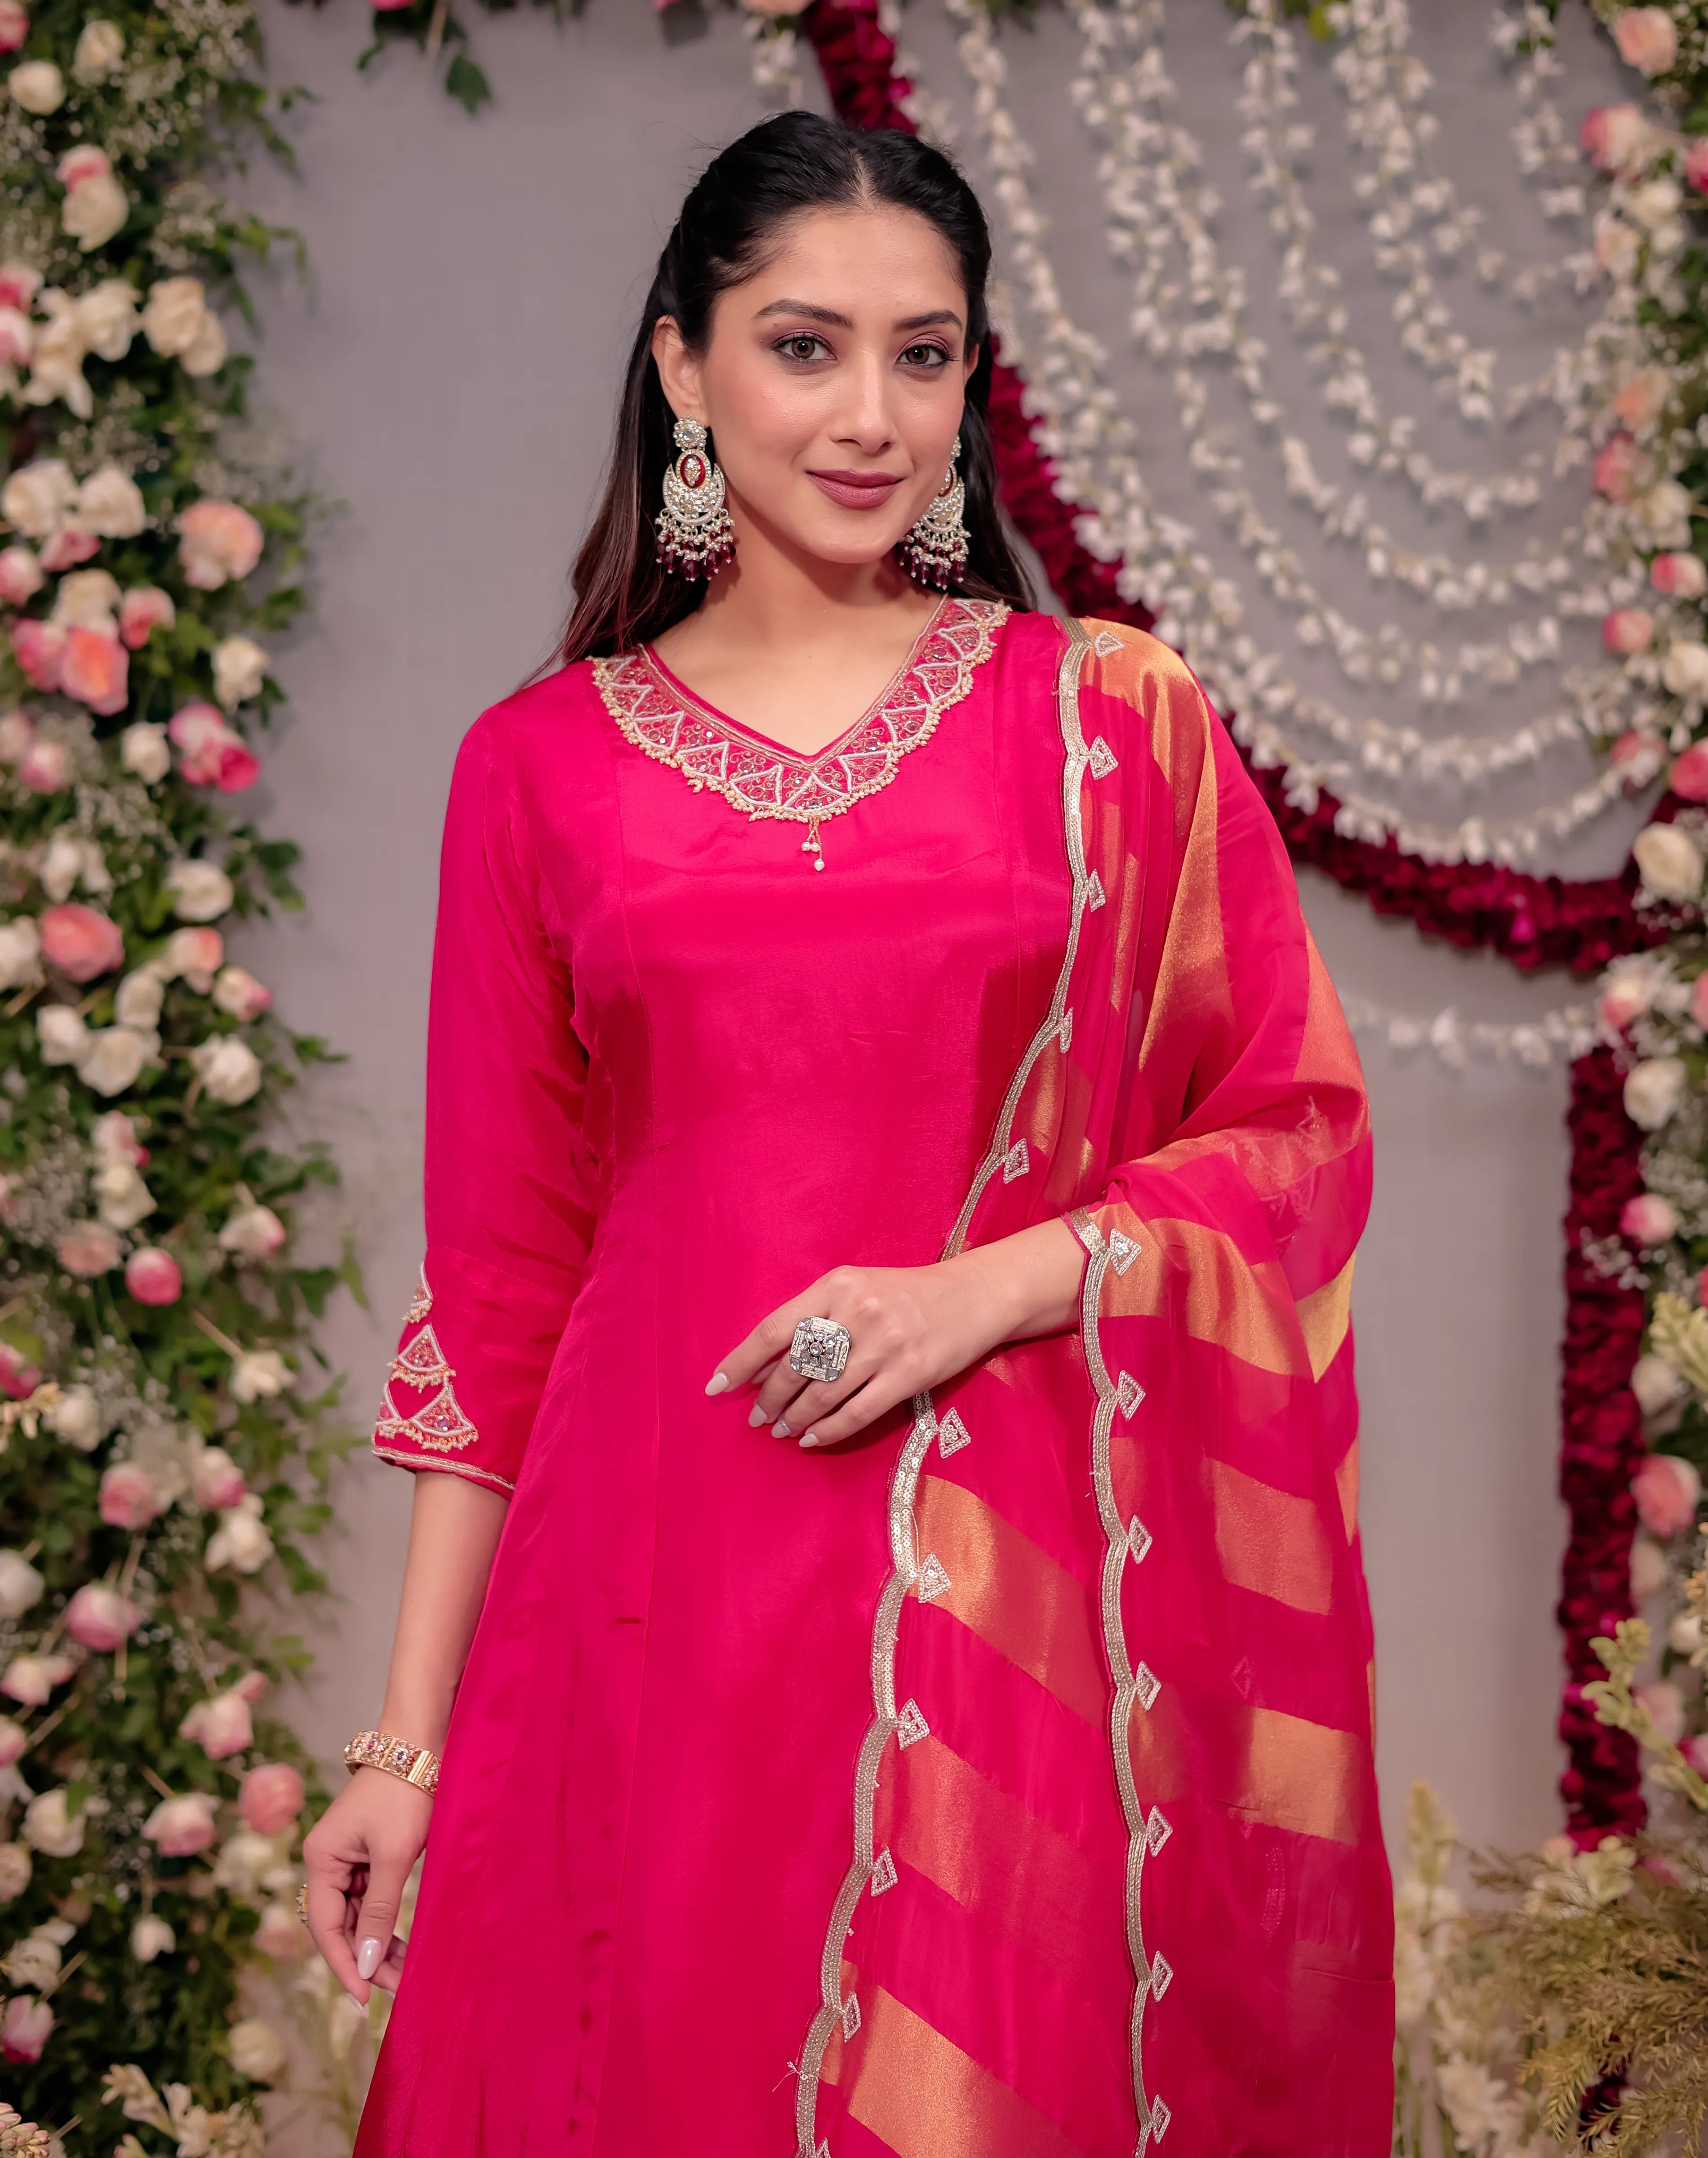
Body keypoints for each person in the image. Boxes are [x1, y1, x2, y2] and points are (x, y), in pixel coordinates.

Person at [305, 109, 1392, 2158]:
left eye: (924, 353)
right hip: (640, 1589)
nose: (870, 413)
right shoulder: (535, 768)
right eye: (803, 347)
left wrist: (990, 1282)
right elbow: (499, 1291)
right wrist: (405, 1750)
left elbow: (1291, 1131)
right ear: (681, 365)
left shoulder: (1105, 722)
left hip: (1006, 1588)